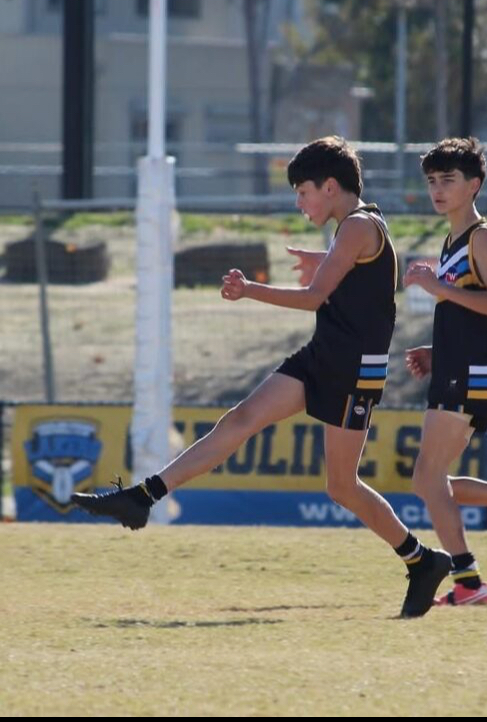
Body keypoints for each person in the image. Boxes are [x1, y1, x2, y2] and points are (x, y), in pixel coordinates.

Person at [73, 136, 449, 618]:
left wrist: (250, 289)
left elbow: (314, 298)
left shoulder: (358, 225)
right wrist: (323, 264)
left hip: (354, 369)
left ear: (329, 187)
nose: (299, 203)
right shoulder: (352, 227)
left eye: (302, 192)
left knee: (341, 486)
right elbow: (354, 281)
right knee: (240, 419)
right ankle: (142, 496)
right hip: (324, 356)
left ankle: (423, 560)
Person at [404, 136, 487, 607]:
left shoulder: (479, 237)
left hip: (473, 374)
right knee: (430, 481)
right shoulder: (453, 239)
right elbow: (467, 315)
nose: (437, 189)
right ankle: (469, 582)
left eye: (448, 180)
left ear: (473, 185)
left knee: (427, 477)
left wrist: (440, 288)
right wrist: (440, 352)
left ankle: (469, 582)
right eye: (432, 180)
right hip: (459, 367)